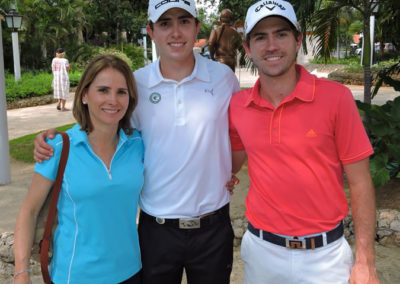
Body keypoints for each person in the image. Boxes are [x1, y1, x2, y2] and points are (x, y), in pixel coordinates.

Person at [33, 0, 240, 283]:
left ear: (197, 28)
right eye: (165, 24)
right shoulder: (136, 84)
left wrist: (230, 171)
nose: (176, 32)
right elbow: (104, 122)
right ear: (151, 31)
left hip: (213, 227)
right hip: (157, 229)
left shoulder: (224, 78)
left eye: (184, 21)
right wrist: (56, 136)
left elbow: (240, 133)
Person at [228, 1, 380, 283]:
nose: (271, 45)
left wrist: (365, 262)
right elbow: (232, 162)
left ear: (298, 40)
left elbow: (360, 183)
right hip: (261, 253)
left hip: (326, 258)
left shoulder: (336, 98)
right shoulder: (238, 105)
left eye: (281, 34)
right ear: (248, 49)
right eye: (260, 37)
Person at [14, 55, 144, 284]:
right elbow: (29, 210)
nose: (113, 100)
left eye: (121, 92)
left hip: (131, 272)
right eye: (103, 90)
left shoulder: (138, 145)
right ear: (84, 95)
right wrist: (21, 272)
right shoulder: (57, 147)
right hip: (75, 276)